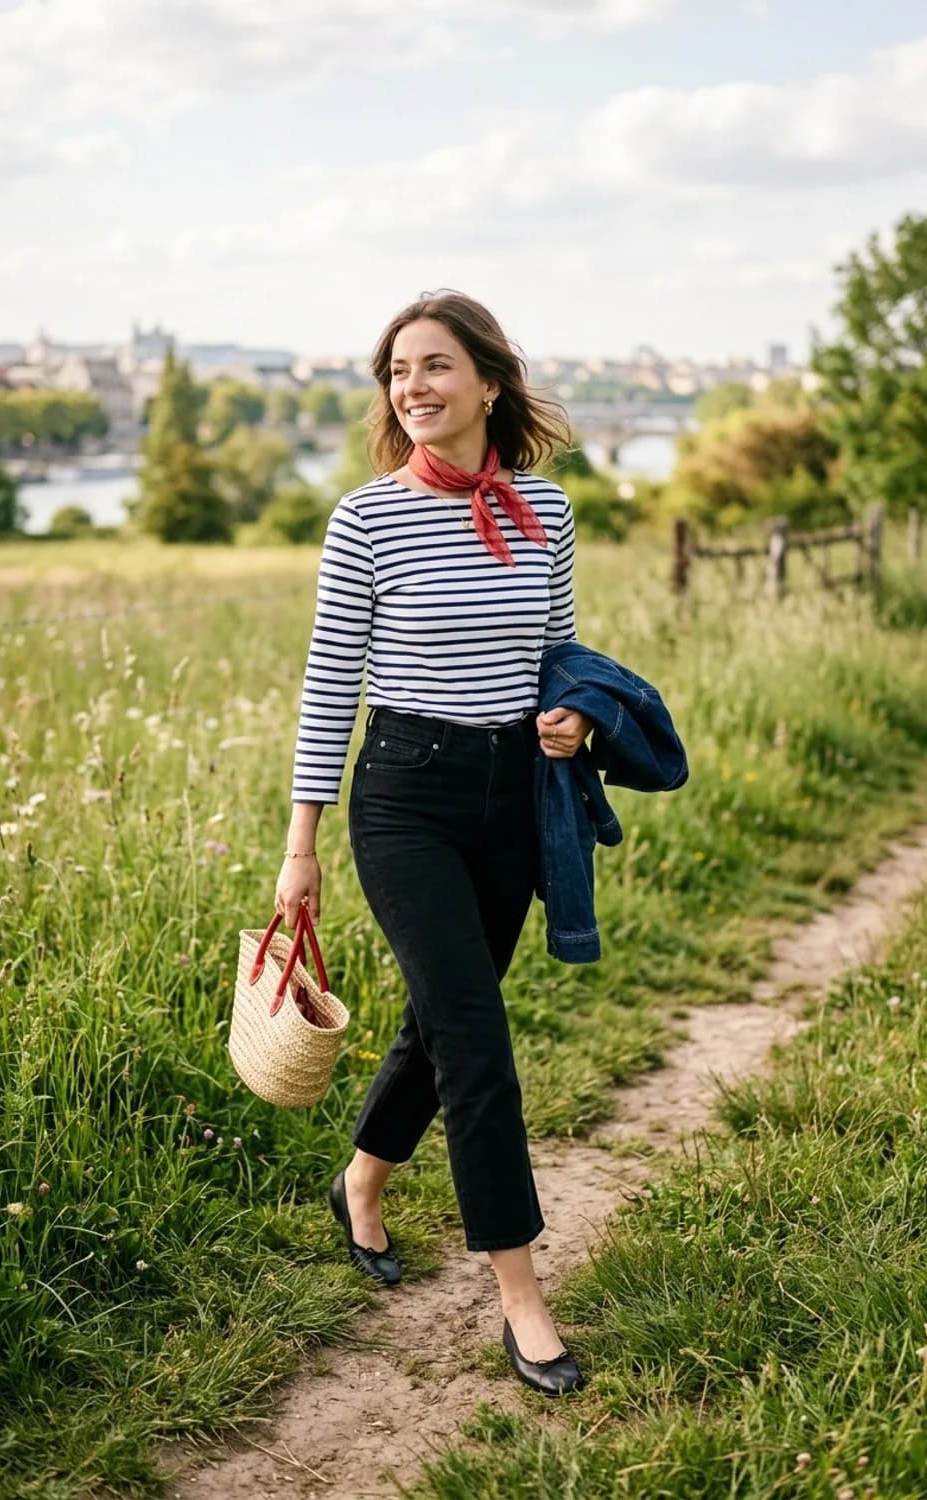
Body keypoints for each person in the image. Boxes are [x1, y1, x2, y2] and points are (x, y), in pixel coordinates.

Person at [276, 290, 591, 1396]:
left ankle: (360, 1181)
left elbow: (558, 654)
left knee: (440, 1019)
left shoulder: (545, 510)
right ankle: (522, 1298)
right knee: (477, 1045)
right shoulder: (366, 519)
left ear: (489, 383)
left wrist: (572, 715)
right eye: (398, 371)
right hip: (404, 797)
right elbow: (330, 688)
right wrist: (301, 845)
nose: (413, 386)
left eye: (435, 365)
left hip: (511, 799)